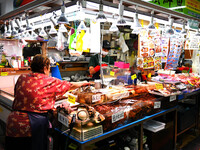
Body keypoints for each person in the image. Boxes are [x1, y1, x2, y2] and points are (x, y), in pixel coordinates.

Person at [5, 54, 89, 150]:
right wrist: (83, 83)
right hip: (31, 127)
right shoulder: (49, 81)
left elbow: (19, 94)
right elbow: (70, 85)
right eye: (49, 68)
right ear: (45, 68)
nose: (49, 70)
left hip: (12, 123)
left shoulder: (22, 78)